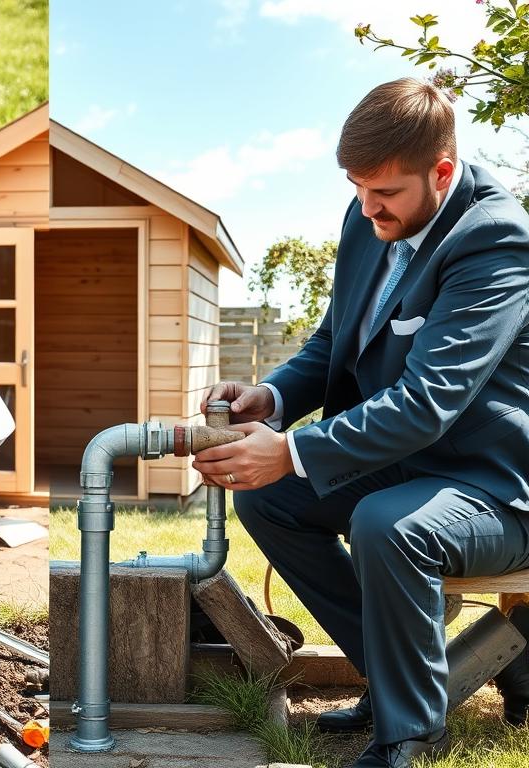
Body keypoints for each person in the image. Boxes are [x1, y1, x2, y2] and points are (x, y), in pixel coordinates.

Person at [195, 78, 529, 768]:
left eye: (385, 194)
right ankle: (402, 676)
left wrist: (291, 449)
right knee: (269, 499)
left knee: (388, 523)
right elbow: (335, 340)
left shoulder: (496, 242)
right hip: (407, 461)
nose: (367, 207)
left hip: (493, 483)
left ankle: (409, 731)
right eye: (356, 189)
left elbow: (429, 400)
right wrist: (274, 397)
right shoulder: (367, 219)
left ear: (441, 172)